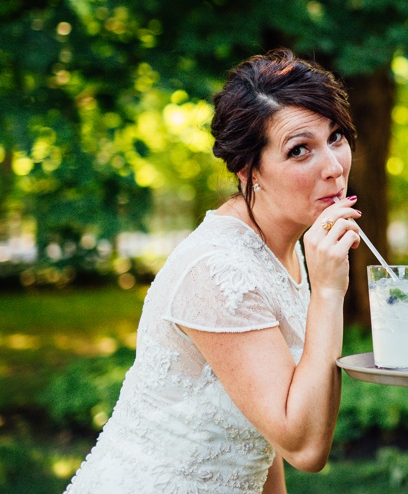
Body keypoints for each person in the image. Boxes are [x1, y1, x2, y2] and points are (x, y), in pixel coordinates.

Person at [66, 49, 361, 493]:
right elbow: (304, 448)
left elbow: (261, 426)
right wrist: (328, 294)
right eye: (299, 150)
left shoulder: (281, 247)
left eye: (336, 137)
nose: (334, 168)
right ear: (248, 169)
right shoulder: (218, 271)